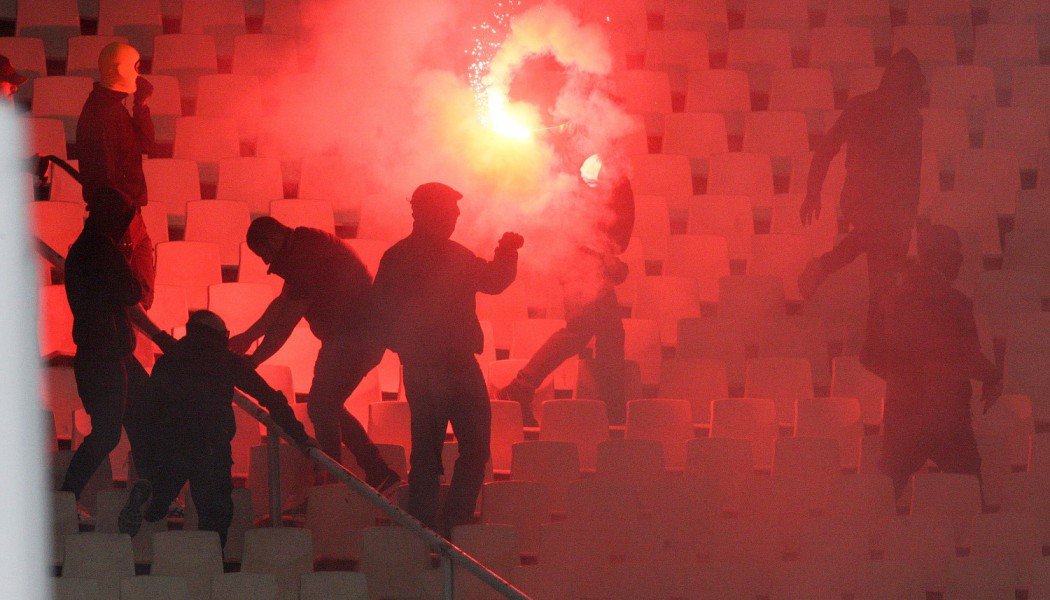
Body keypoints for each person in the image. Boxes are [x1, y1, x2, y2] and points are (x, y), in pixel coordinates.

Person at [370, 182, 522, 535]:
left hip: (426, 366)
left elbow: (379, 314)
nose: (455, 218)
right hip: (456, 365)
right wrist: (507, 251)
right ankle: (454, 526)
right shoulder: (454, 255)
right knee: (472, 449)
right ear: (431, 213)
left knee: (427, 453)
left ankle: (425, 532)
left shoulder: (397, 256)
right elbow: (495, 280)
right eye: (450, 212)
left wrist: (405, 347)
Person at [118, 310, 316, 546]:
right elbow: (269, 397)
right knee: (215, 516)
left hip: (170, 444)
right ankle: (210, 560)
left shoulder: (169, 360)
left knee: (158, 504)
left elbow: (153, 405)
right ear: (218, 336)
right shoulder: (225, 361)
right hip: (210, 445)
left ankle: (149, 500)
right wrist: (300, 436)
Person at [229, 217, 399, 492]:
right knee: (328, 406)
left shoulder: (304, 256)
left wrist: (254, 359)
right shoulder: (304, 247)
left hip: (352, 338)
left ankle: (333, 481)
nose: (266, 262)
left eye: (264, 254)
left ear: (273, 239)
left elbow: (286, 322)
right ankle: (376, 471)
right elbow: (282, 304)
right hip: (359, 337)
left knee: (322, 406)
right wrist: (248, 336)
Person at [797, 48, 926, 366]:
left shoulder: (909, 118)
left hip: (886, 207)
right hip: (870, 202)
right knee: (882, 277)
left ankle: (827, 267)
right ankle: (875, 351)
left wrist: (909, 216)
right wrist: (812, 191)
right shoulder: (870, 109)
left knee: (883, 280)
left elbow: (912, 172)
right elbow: (827, 148)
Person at [497, 153, 634, 425]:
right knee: (585, 329)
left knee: (604, 333)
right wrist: (604, 257)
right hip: (579, 259)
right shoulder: (588, 160)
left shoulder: (597, 160)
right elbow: (578, 214)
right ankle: (609, 411)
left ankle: (608, 409)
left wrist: (607, 256)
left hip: (586, 258)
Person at [869, 223, 1002, 499]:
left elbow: (870, 356)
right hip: (947, 417)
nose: (961, 259)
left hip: (902, 415)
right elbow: (969, 358)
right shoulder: (956, 303)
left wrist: (903, 380)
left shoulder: (889, 301)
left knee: (883, 499)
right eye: (956, 252)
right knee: (968, 495)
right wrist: (993, 375)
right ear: (939, 256)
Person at [60, 188, 174, 502]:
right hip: (107, 356)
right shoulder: (101, 249)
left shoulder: (83, 249)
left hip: (105, 353)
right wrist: (127, 256)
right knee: (111, 431)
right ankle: (67, 497)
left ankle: (151, 495)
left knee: (137, 420)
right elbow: (132, 292)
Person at [76, 41, 156, 310]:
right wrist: (119, 217)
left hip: (127, 214)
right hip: (120, 218)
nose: (139, 73)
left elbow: (145, 143)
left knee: (139, 296)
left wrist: (140, 104)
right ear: (122, 69)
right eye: (136, 67)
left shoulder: (109, 107)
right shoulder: (104, 112)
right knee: (132, 299)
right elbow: (103, 174)